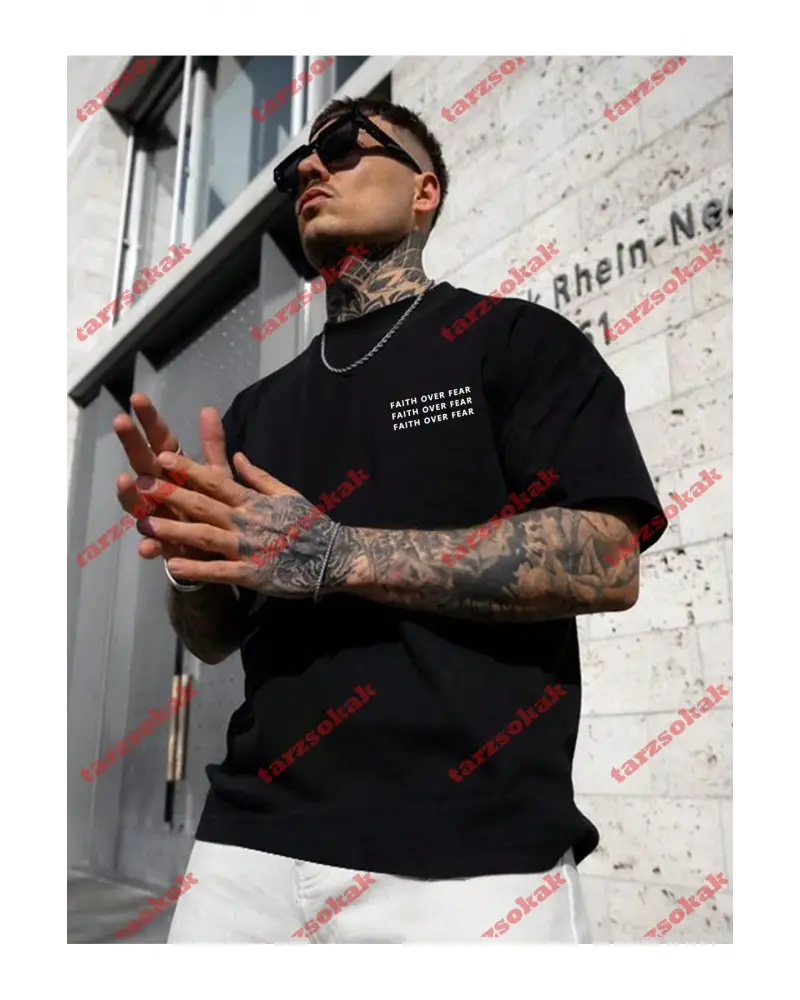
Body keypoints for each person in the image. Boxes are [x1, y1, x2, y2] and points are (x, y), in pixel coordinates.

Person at [112, 96, 666, 943]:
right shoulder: (257, 410)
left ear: (424, 191)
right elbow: (214, 639)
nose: (309, 166)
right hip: (244, 856)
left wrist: (339, 554)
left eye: (341, 145)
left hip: (468, 865)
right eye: (293, 164)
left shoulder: (516, 342)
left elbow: (609, 558)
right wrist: (189, 563)